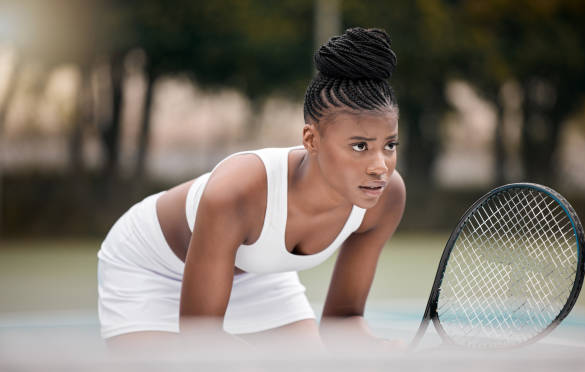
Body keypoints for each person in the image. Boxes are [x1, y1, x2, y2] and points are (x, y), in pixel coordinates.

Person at [97, 27, 406, 353]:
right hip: (150, 267)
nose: (380, 166)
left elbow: (342, 320)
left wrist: (381, 347)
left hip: (258, 275)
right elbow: (200, 339)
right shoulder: (236, 192)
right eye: (360, 146)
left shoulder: (387, 197)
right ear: (311, 140)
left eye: (389, 145)